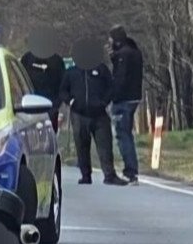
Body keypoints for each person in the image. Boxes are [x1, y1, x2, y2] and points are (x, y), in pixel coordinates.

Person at [59, 37, 127, 186]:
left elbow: (111, 87)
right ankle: (85, 175)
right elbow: (63, 90)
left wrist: (104, 102)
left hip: (99, 114)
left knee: (105, 146)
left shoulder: (101, 69)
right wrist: (71, 101)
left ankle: (109, 175)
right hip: (79, 114)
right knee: (81, 146)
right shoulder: (71, 72)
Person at [108, 25, 145, 185]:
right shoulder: (135, 52)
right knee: (127, 133)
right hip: (134, 97)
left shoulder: (123, 55)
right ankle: (132, 170)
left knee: (123, 135)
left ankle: (130, 172)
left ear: (116, 40)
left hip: (123, 99)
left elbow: (120, 79)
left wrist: (111, 97)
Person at [21, 28, 66, 132]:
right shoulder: (26, 59)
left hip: (51, 106)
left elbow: (63, 84)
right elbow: (21, 81)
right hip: (29, 107)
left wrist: (56, 105)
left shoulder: (57, 61)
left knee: (50, 138)